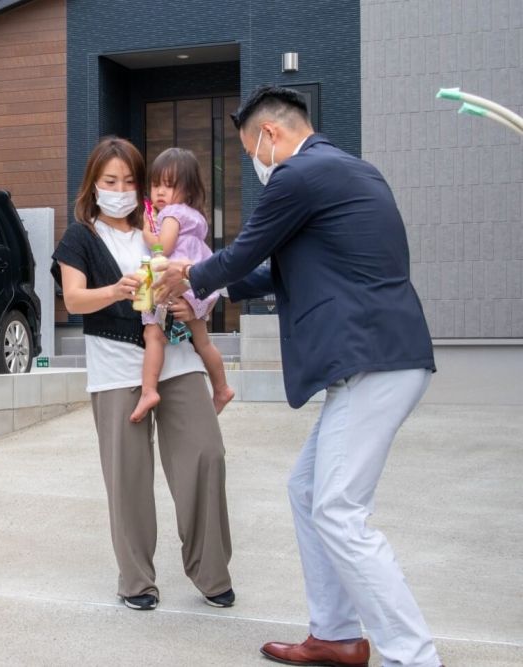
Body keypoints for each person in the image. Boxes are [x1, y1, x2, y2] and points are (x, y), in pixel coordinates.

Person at [155, 86, 443, 667]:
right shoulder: (351, 170)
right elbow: (273, 268)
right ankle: (336, 634)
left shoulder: (298, 175)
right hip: (381, 355)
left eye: (249, 151)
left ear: (270, 136)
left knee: (338, 509)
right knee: (308, 491)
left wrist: (189, 276)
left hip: (374, 359)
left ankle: (413, 657)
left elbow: (243, 253)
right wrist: (211, 283)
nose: (255, 166)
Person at [51, 136, 235, 612]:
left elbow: (199, 269)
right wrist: (115, 289)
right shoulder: (80, 236)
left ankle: (212, 572)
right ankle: (136, 580)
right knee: (128, 478)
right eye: (110, 181)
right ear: (93, 184)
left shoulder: (159, 227)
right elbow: (73, 299)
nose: (122, 189)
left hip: (177, 357)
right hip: (115, 366)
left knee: (205, 455)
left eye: (131, 180)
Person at [131, 147, 235, 423]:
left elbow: (162, 247)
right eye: (155, 185)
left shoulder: (172, 214)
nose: (160, 193)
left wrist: (145, 231)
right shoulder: (196, 216)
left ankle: (149, 390)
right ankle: (222, 388)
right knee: (203, 341)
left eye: (169, 185)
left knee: (153, 335)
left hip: (173, 285)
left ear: (187, 190)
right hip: (195, 289)